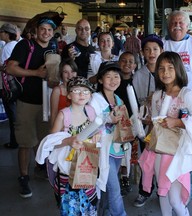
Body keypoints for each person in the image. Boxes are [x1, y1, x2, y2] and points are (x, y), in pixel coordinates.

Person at [139, 51, 192, 215]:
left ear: (178, 70)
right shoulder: (157, 96)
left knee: (175, 200)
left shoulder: (186, 94)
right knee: (162, 192)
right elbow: (155, 125)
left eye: (170, 68)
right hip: (160, 150)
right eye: (161, 68)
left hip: (179, 152)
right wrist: (148, 138)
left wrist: (177, 122)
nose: (165, 72)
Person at [6, 18, 58, 198]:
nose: (46, 33)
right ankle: (23, 177)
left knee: (44, 140)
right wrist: (36, 73)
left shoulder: (53, 48)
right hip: (27, 102)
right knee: (26, 142)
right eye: (42, 29)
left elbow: (53, 75)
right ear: (36, 31)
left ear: (53, 32)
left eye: (49, 30)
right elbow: (10, 68)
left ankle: (40, 168)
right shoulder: (25, 46)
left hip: (47, 102)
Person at [38, 76, 99, 215]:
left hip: (86, 166)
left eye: (86, 91)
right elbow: (51, 141)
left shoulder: (91, 111)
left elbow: (97, 131)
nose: (81, 94)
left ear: (90, 95)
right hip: (67, 168)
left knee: (89, 206)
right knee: (70, 207)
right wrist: (68, 141)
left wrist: (97, 137)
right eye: (77, 90)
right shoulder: (63, 114)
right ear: (69, 94)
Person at [89, 61, 127, 216]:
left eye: (116, 76)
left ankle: (104, 212)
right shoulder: (95, 99)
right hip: (102, 149)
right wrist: (108, 119)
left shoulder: (118, 99)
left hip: (116, 149)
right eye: (108, 76)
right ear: (99, 80)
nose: (113, 80)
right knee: (114, 188)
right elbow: (90, 124)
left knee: (105, 185)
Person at [132, 34, 164, 207]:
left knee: (163, 157)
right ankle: (145, 190)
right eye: (147, 49)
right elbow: (137, 101)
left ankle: (162, 189)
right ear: (142, 52)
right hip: (145, 125)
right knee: (146, 159)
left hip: (164, 125)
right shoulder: (139, 75)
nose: (151, 53)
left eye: (155, 49)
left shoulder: (167, 72)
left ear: (162, 51)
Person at [115, 51, 138, 196]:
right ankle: (114, 178)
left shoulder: (136, 82)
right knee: (115, 150)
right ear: (118, 63)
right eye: (124, 61)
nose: (127, 64)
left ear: (135, 65)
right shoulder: (114, 80)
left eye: (130, 61)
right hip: (115, 121)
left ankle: (125, 177)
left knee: (127, 152)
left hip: (132, 122)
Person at [0, 23, 18, 149]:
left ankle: (14, 141)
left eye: (1, 32)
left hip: (6, 86)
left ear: (7, 33)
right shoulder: (16, 45)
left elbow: (6, 68)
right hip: (15, 85)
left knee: (12, 115)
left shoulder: (7, 48)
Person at [49, 58, 78, 127]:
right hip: (61, 127)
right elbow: (54, 114)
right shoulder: (57, 90)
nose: (70, 75)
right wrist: (53, 134)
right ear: (61, 74)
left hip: (77, 127)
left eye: (72, 71)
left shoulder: (80, 90)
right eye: (66, 72)